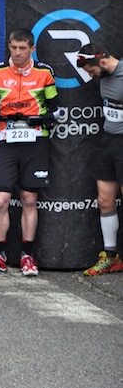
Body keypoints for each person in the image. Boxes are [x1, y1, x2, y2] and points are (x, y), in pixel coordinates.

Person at [0, 29, 57, 277]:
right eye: (13, 48)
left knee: (29, 199)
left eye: (23, 48)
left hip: (35, 141)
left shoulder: (44, 72)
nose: (18, 53)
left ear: (32, 49)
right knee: (0, 200)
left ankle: (27, 255)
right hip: (6, 139)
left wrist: (44, 117)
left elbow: (56, 109)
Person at [77, 45, 123, 276]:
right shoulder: (103, 75)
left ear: (103, 63)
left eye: (92, 72)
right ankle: (110, 256)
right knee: (105, 200)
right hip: (108, 141)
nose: (91, 76)